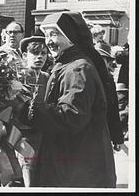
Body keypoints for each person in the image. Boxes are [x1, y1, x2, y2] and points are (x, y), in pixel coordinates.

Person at [28, 11, 116, 187]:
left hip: (77, 166)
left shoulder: (77, 69)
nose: (49, 41)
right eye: (46, 35)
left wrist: (27, 110)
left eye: (54, 34)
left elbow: (71, 117)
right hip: (72, 161)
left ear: (70, 36)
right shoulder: (68, 64)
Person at [18, 36, 50, 187]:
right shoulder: (19, 76)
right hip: (22, 131)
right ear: (25, 56)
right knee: (27, 165)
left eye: (43, 54)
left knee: (39, 167)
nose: (39, 57)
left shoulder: (47, 77)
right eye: (35, 53)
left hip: (41, 130)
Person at [95, 42, 124, 151]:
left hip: (104, 132)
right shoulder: (87, 77)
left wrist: (117, 138)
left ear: (108, 62)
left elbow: (113, 110)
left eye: (102, 59)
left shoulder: (109, 81)